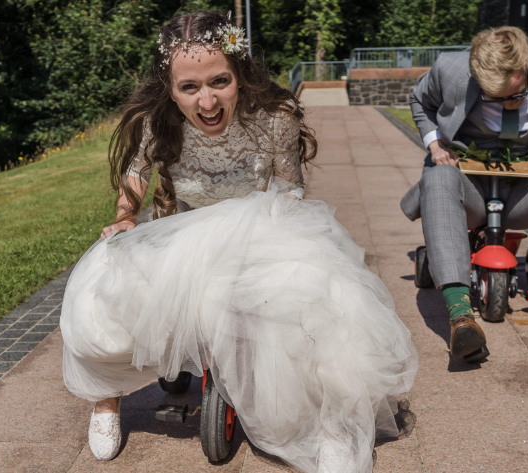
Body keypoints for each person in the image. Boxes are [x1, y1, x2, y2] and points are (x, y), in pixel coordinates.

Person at [60, 11, 418, 473]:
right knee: (105, 285)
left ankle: (329, 425)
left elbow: (290, 190)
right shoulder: (160, 120)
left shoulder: (275, 117)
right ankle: (106, 399)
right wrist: (126, 216)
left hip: (261, 228)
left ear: (240, 74)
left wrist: (275, 237)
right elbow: (136, 173)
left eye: (219, 81)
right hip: (186, 235)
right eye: (189, 87)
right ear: (170, 89)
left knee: (320, 299)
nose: (207, 101)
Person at [401, 26, 528, 362]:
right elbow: (418, 100)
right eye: (489, 97)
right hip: (466, 185)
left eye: (511, 97)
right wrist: (435, 144)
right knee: (439, 178)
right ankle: (461, 317)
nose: (501, 105)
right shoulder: (449, 69)